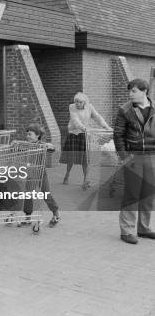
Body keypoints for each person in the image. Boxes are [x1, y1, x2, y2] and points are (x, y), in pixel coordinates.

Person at [113, 78, 155, 244]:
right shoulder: (125, 110)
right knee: (132, 194)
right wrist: (124, 157)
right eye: (129, 91)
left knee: (148, 194)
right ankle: (127, 230)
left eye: (134, 91)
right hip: (133, 157)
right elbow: (118, 135)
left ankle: (143, 228)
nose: (130, 94)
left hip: (152, 157)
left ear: (144, 91)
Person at [59, 92, 112, 189]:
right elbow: (75, 121)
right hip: (74, 133)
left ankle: (85, 180)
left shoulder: (89, 107)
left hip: (85, 135)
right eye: (76, 102)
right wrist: (84, 128)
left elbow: (97, 117)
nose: (77, 104)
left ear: (85, 102)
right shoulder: (72, 107)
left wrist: (106, 126)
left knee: (86, 159)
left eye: (80, 102)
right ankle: (67, 175)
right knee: (71, 158)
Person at [22, 123, 61, 228]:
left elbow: (52, 149)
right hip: (30, 173)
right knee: (28, 195)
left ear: (37, 135)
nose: (28, 136)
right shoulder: (26, 145)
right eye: (27, 134)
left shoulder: (41, 144)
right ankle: (28, 217)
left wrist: (49, 145)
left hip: (40, 173)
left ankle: (56, 213)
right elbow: (18, 147)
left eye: (30, 134)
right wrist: (14, 144)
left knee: (46, 194)